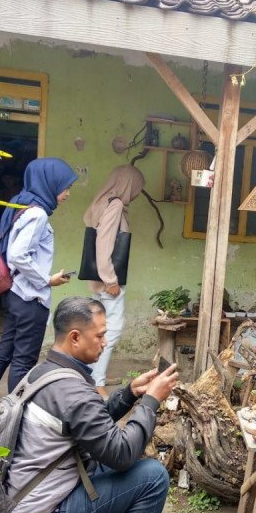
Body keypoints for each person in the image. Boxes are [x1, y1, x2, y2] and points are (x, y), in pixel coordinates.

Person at [3, 296, 178, 513]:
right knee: (152, 476)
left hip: (18, 511)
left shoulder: (43, 373)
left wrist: (129, 393)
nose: (105, 342)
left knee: (103, 460)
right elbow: (121, 454)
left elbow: (90, 426)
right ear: (74, 337)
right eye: (99, 335)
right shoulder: (75, 393)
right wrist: (151, 402)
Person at [0, 158, 78, 408]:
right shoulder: (38, 214)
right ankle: (15, 415)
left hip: (14, 294)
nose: (67, 194)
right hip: (30, 298)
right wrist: (47, 280)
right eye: (64, 187)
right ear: (49, 184)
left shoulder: (20, 203)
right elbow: (19, 255)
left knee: (4, 352)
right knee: (23, 361)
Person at [82, 164, 146, 397]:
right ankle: (97, 383)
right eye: (136, 188)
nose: (136, 193)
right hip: (108, 282)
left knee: (97, 328)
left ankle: (94, 372)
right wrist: (110, 280)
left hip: (98, 280)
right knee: (112, 329)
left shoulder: (101, 201)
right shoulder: (116, 204)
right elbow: (104, 243)